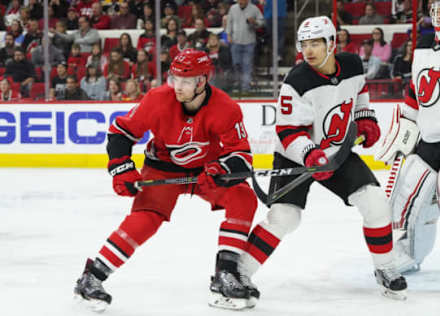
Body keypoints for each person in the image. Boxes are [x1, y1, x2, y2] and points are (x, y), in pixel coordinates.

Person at [238, 16, 407, 307]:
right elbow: (288, 131)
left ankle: (385, 267)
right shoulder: (296, 81)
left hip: (336, 155)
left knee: (376, 202)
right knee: (285, 218)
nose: (309, 50)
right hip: (296, 156)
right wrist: (310, 154)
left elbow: (360, 95)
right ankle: (238, 273)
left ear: (331, 42)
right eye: (304, 44)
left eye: (316, 43)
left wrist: (365, 119)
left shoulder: (353, 65)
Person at [73, 49, 259, 311]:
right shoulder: (158, 99)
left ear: (202, 81)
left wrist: (221, 171)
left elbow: (241, 155)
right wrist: (122, 168)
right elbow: (121, 132)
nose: (177, 86)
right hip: (162, 169)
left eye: (185, 81)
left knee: (244, 198)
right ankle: (91, 277)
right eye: (175, 79)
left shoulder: (226, 108)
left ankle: (225, 275)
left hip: (207, 170)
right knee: (146, 218)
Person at [375, 0, 440, 289]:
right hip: (429, 140)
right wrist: (405, 124)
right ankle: (409, 254)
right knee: (409, 201)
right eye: (438, 8)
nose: (439, 15)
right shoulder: (422, 42)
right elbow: (415, 89)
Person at [226, 0, 264, 92]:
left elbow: (262, 22)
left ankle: (245, 88)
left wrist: (254, 22)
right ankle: (238, 85)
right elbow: (229, 22)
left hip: (249, 42)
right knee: (236, 65)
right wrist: (228, 35)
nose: (240, 1)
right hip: (235, 41)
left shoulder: (254, 9)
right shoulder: (233, 8)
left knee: (247, 66)